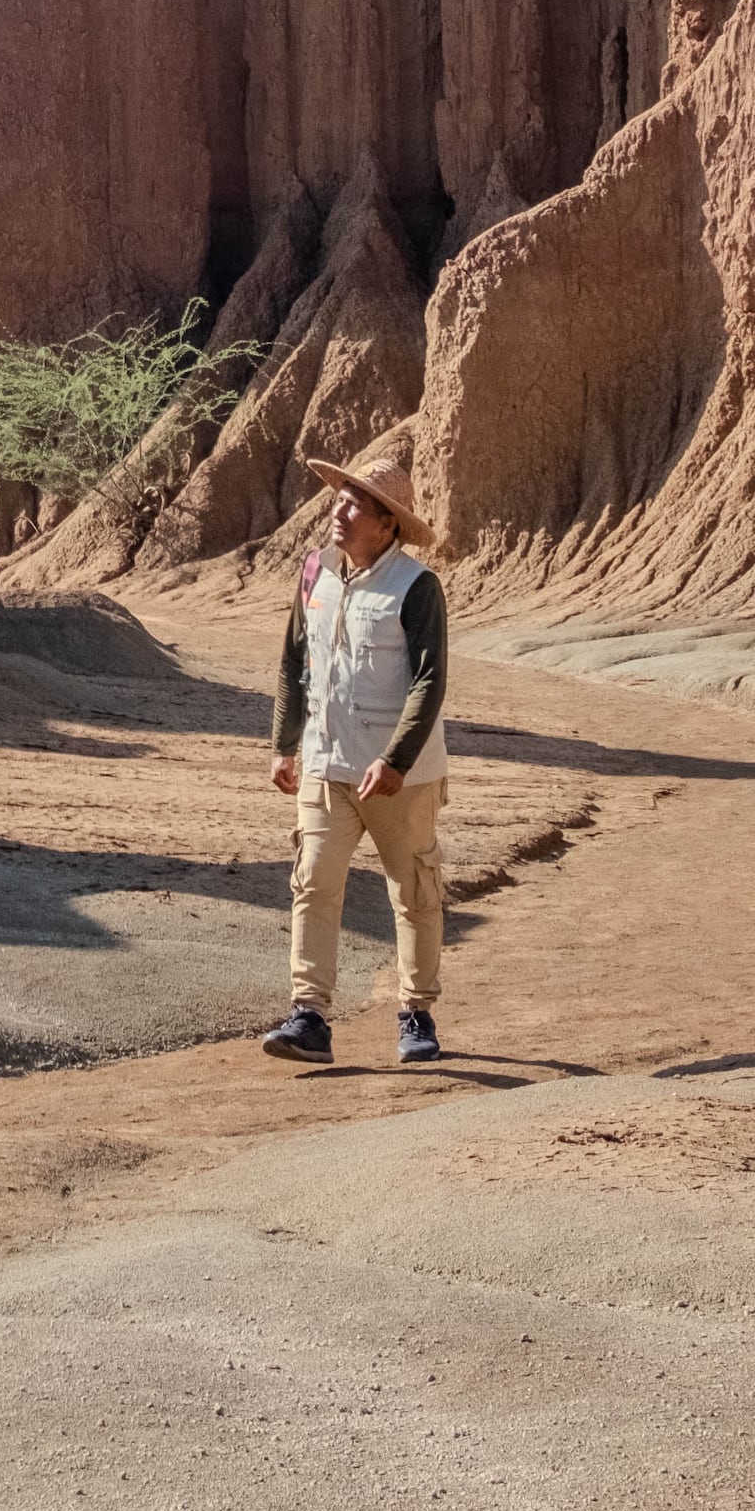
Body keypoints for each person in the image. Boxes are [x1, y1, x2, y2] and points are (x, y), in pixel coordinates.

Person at [258, 435, 449, 1067]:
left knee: (413, 890)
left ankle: (415, 1014)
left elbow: (429, 680)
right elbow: (294, 661)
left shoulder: (417, 587)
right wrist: (285, 744)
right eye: (339, 499)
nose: (338, 512)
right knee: (312, 882)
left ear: (388, 523)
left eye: (355, 504)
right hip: (326, 762)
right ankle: (309, 1016)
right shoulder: (314, 572)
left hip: (402, 776)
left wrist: (395, 760)